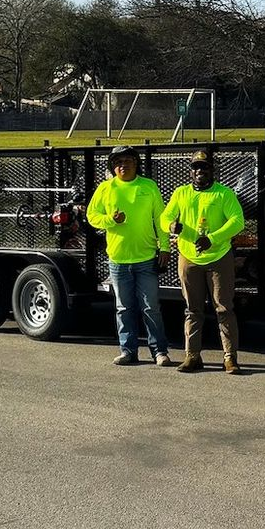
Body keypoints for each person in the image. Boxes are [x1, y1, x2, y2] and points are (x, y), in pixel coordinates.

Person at [85, 147, 171, 366]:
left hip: (145, 257)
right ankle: (128, 351)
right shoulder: (106, 188)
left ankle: (159, 352)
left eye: (128, 160)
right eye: (118, 161)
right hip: (118, 259)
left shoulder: (148, 186)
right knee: (124, 308)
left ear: (136, 163)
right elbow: (92, 216)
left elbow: (161, 220)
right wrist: (111, 220)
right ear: (113, 167)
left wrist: (165, 248)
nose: (123, 164)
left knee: (151, 307)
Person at [163, 150, 246, 374]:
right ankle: (192, 356)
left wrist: (213, 239)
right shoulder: (181, 193)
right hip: (189, 257)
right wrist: (171, 226)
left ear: (212, 170)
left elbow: (238, 221)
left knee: (224, 308)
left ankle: (230, 357)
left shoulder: (223, 194)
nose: (200, 171)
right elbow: (165, 217)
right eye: (196, 167)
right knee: (192, 309)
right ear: (190, 171)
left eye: (204, 167)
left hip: (219, 258)